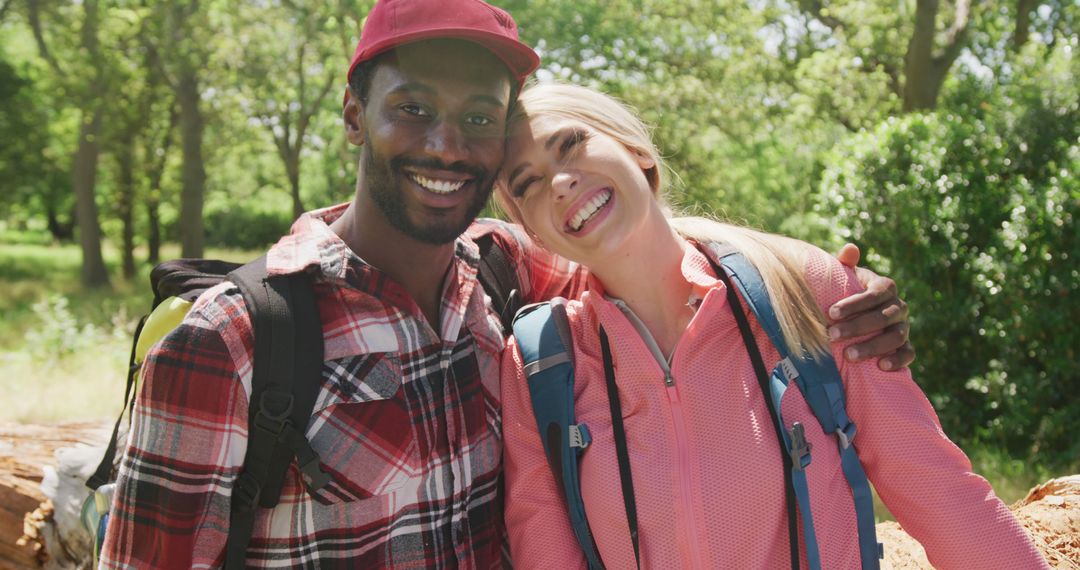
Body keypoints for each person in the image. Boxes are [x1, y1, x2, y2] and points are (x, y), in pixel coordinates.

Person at [99, 1, 914, 568]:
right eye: (412, 109)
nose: (448, 146)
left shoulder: (505, 274)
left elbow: (638, 237)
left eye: (480, 118)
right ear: (354, 115)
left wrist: (821, 281)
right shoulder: (234, 342)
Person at [496, 82, 1047, 569]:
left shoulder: (803, 289)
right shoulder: (540, 366)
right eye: (528, 184)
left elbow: (937, 492)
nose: (560, 183)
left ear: (636, 151)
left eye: (571, 144)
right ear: (532, 231)